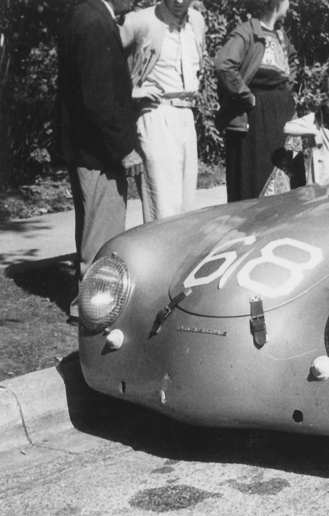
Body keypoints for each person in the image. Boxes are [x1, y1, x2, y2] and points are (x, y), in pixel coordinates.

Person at [56, 0, 143, 319]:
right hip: (99, 151)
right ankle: (91, 308)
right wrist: (124, 148)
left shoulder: (81, 14)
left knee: (92, 227)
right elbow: (100, 98)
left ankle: (89, 300)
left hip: (85, 147)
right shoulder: (96, 23)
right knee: (101, 233)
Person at [120, 0, 205, 222]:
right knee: (163, 206)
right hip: (157, 113)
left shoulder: (196, 20)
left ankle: (183, 255)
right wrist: (130, 89)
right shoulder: (140, 21)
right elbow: (102, 58)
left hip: (186, 114)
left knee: (186, 205)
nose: (179, 1)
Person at [215, 0, 297, 202]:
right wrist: (246, 95)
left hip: (282, 115)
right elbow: (224, 65)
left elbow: (292, 63)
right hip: (256, 117)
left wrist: (286, 91)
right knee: (256, 178)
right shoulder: (247, 32)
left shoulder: (280, 35)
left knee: (286, 177)